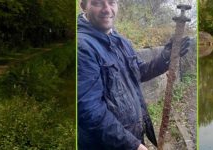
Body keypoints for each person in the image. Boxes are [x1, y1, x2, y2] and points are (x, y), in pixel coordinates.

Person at [78, 0, 191, 149]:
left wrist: (164, 58)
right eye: (98, 3)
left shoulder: (121, 42)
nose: (107, 9)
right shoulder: (82, 47)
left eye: (111, 2)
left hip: (131, 136)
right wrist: (132, 145)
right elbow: (90, 111)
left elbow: (139, 72)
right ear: (84, 6)